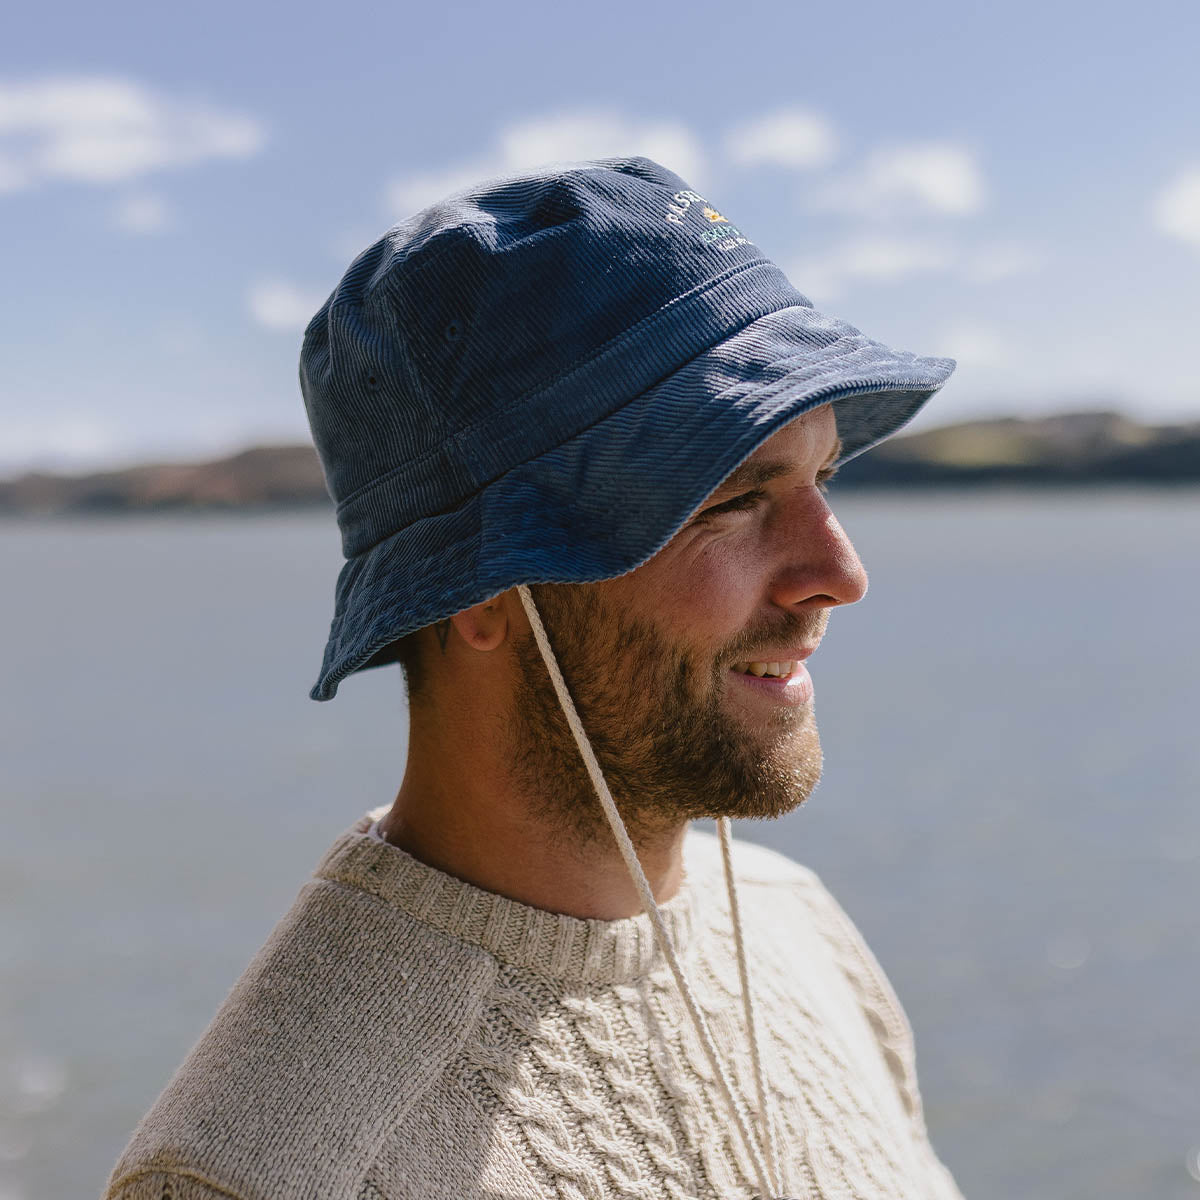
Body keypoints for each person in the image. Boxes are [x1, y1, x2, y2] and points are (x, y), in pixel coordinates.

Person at [105, 156, 964, 1199]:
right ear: (483, 586)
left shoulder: (798, 930)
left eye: (823, 478)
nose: (842, 574)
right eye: (733, 497)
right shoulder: (261, 1174)